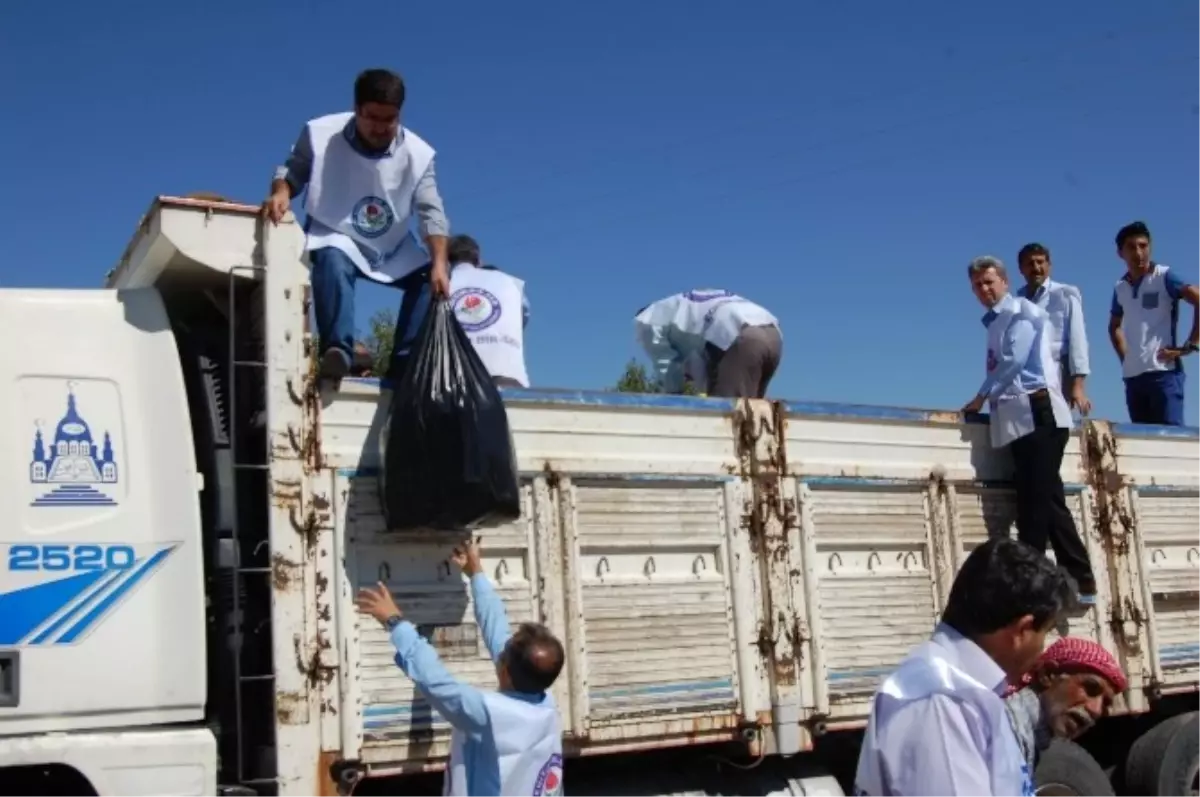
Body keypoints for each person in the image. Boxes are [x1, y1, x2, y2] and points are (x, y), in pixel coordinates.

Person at [262, 68, 451, 381]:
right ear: (356, 109)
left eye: (389, 119)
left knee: (428, 277)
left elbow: (431, 211)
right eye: (372, 118)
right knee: (332, 259)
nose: (380, 128)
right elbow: (293, 170)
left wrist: (440, 264)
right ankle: (338, 349)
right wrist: (281, 193)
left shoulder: (419, 154)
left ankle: (404, 362)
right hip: (336, 230)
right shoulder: (320, 132)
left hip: (389, 243)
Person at [854, 537, 1074, 797]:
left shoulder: (960, 690)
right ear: (1023, 630)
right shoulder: (945, 702)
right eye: (1045, 633)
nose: (1042, 650)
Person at [356, 540, 565, 797]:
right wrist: (476, 574)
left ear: (505, 671)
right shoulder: (545, 705)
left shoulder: (487, 715)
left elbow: (434, 680)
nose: (503, 647)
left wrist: (395, 621)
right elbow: (497, 632)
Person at [960, 256, 1095, 600]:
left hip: (1040, 414)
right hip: (1019, 418)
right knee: (1046, 496)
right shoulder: (993, 323)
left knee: (1033, 502)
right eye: (977, 285)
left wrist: (979, 398)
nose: (984, 290)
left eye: (989, 282)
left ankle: (1031, 582)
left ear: (1005, 282)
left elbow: (1013, 362)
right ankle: (1079, 577)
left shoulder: (1022, 312)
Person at [389, 234, 531, 387]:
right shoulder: (510, 282)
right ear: (478, 261)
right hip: (508, 378)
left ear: (445, 262)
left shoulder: (434, 283)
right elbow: (520, 318)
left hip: (446, 379)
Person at [1108, 221, 1200, 426]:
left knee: (1171, 443)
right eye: (1131, 247)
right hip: (1133, 378)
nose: (1139, 252)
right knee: (1143, 442)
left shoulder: (1165, 276)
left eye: (1143, 245)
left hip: (1163, 374)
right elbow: (1114, 326)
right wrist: (1126, 358)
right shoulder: (1120, 287)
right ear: (1120, 253)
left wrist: (1191, 345)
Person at [1003, 637, 1126, 772]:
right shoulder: (1006, 727)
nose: (1096, 710)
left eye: (1105, 703)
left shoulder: (1032, 738)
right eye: (1090, 689)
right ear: (1048, 675)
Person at [634, 290, 782, 398]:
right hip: (773, 334)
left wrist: (674, 396)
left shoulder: (647, 319)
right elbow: (702, 364)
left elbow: (665, 363)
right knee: (757, 417)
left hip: (737, 334)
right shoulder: (681, 309)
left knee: (730, 418)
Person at [1016, 242, 1092, 416]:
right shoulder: (1018, 301)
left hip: (1055, 380)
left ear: (1049, 265)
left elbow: (1077, 340)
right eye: (1030, 263)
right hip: (1025, 385)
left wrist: (1078, 386)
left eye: (1040, 262)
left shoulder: (1065, 294)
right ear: (1021, 269)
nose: (1036, 267)